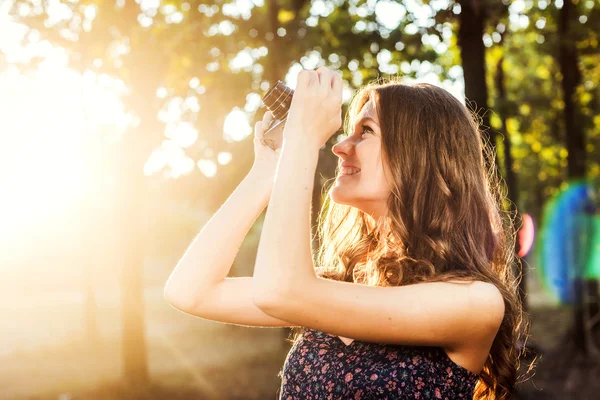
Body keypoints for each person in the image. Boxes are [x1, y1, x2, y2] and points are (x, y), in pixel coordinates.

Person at [164, 67, 533, 400]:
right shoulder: (335, 285)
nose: (340, 147)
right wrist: (267, 172)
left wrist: (303, 141)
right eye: (346, 132)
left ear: (419, 155)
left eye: (365, 131)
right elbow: (190, 291)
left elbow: (281, 291)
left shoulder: (474, 301)